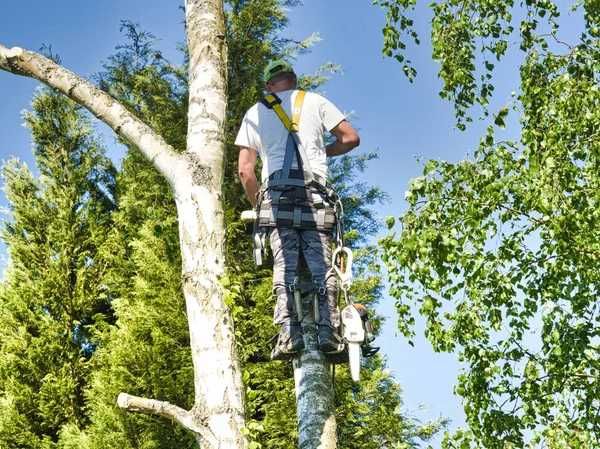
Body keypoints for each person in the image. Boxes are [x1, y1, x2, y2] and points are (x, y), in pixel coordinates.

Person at [235, 59, 360, 360]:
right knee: (322, 266)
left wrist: (259, 207)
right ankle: (328, 334)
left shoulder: (255, 112)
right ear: (293, 79)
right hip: (316, 196)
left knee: (285, 265)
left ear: (269, 85)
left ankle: (290, 336)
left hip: (278, 198)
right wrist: (322, 152)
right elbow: (351, 138)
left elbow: (245, 171)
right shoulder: (315, 101)